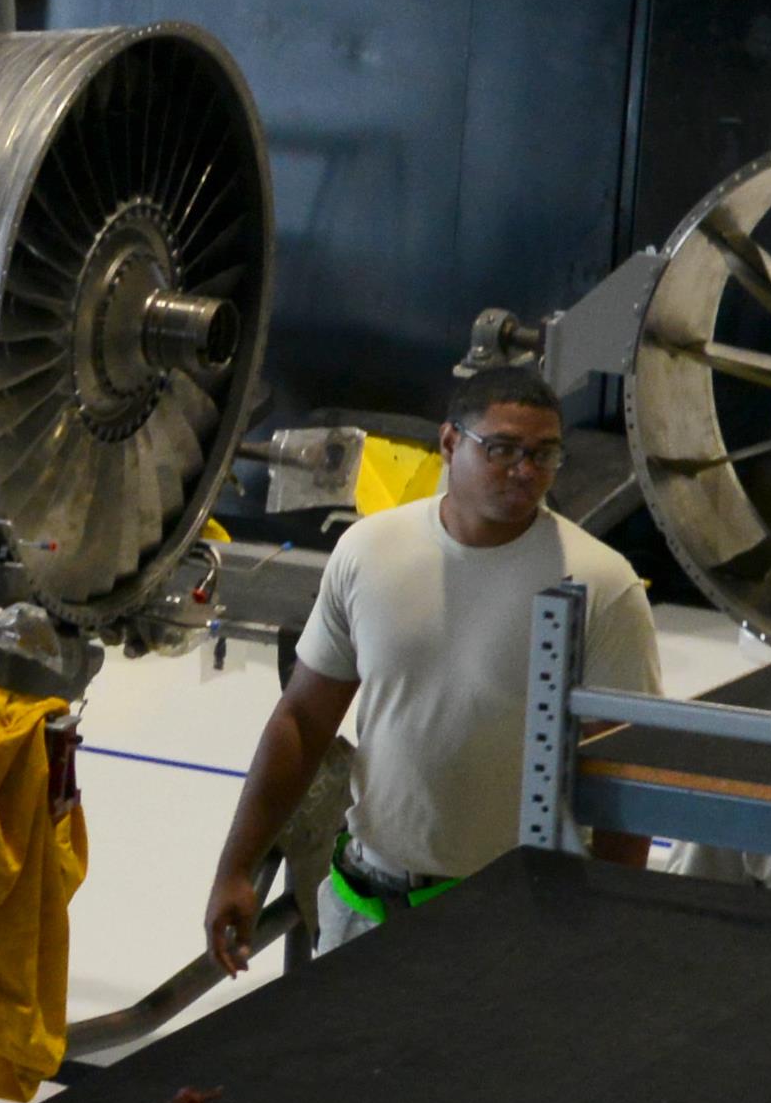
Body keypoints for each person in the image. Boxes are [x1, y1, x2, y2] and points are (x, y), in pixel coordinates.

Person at [206, 364, 664, 972]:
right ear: (450, 443)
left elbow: (624, 771)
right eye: (502, 449)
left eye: (544, 454)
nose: (526, 471)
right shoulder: (369, 552)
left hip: (505, 918)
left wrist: (600, 931)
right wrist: (236, 868)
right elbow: (302, 721)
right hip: (363, 904)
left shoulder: (602, 585)